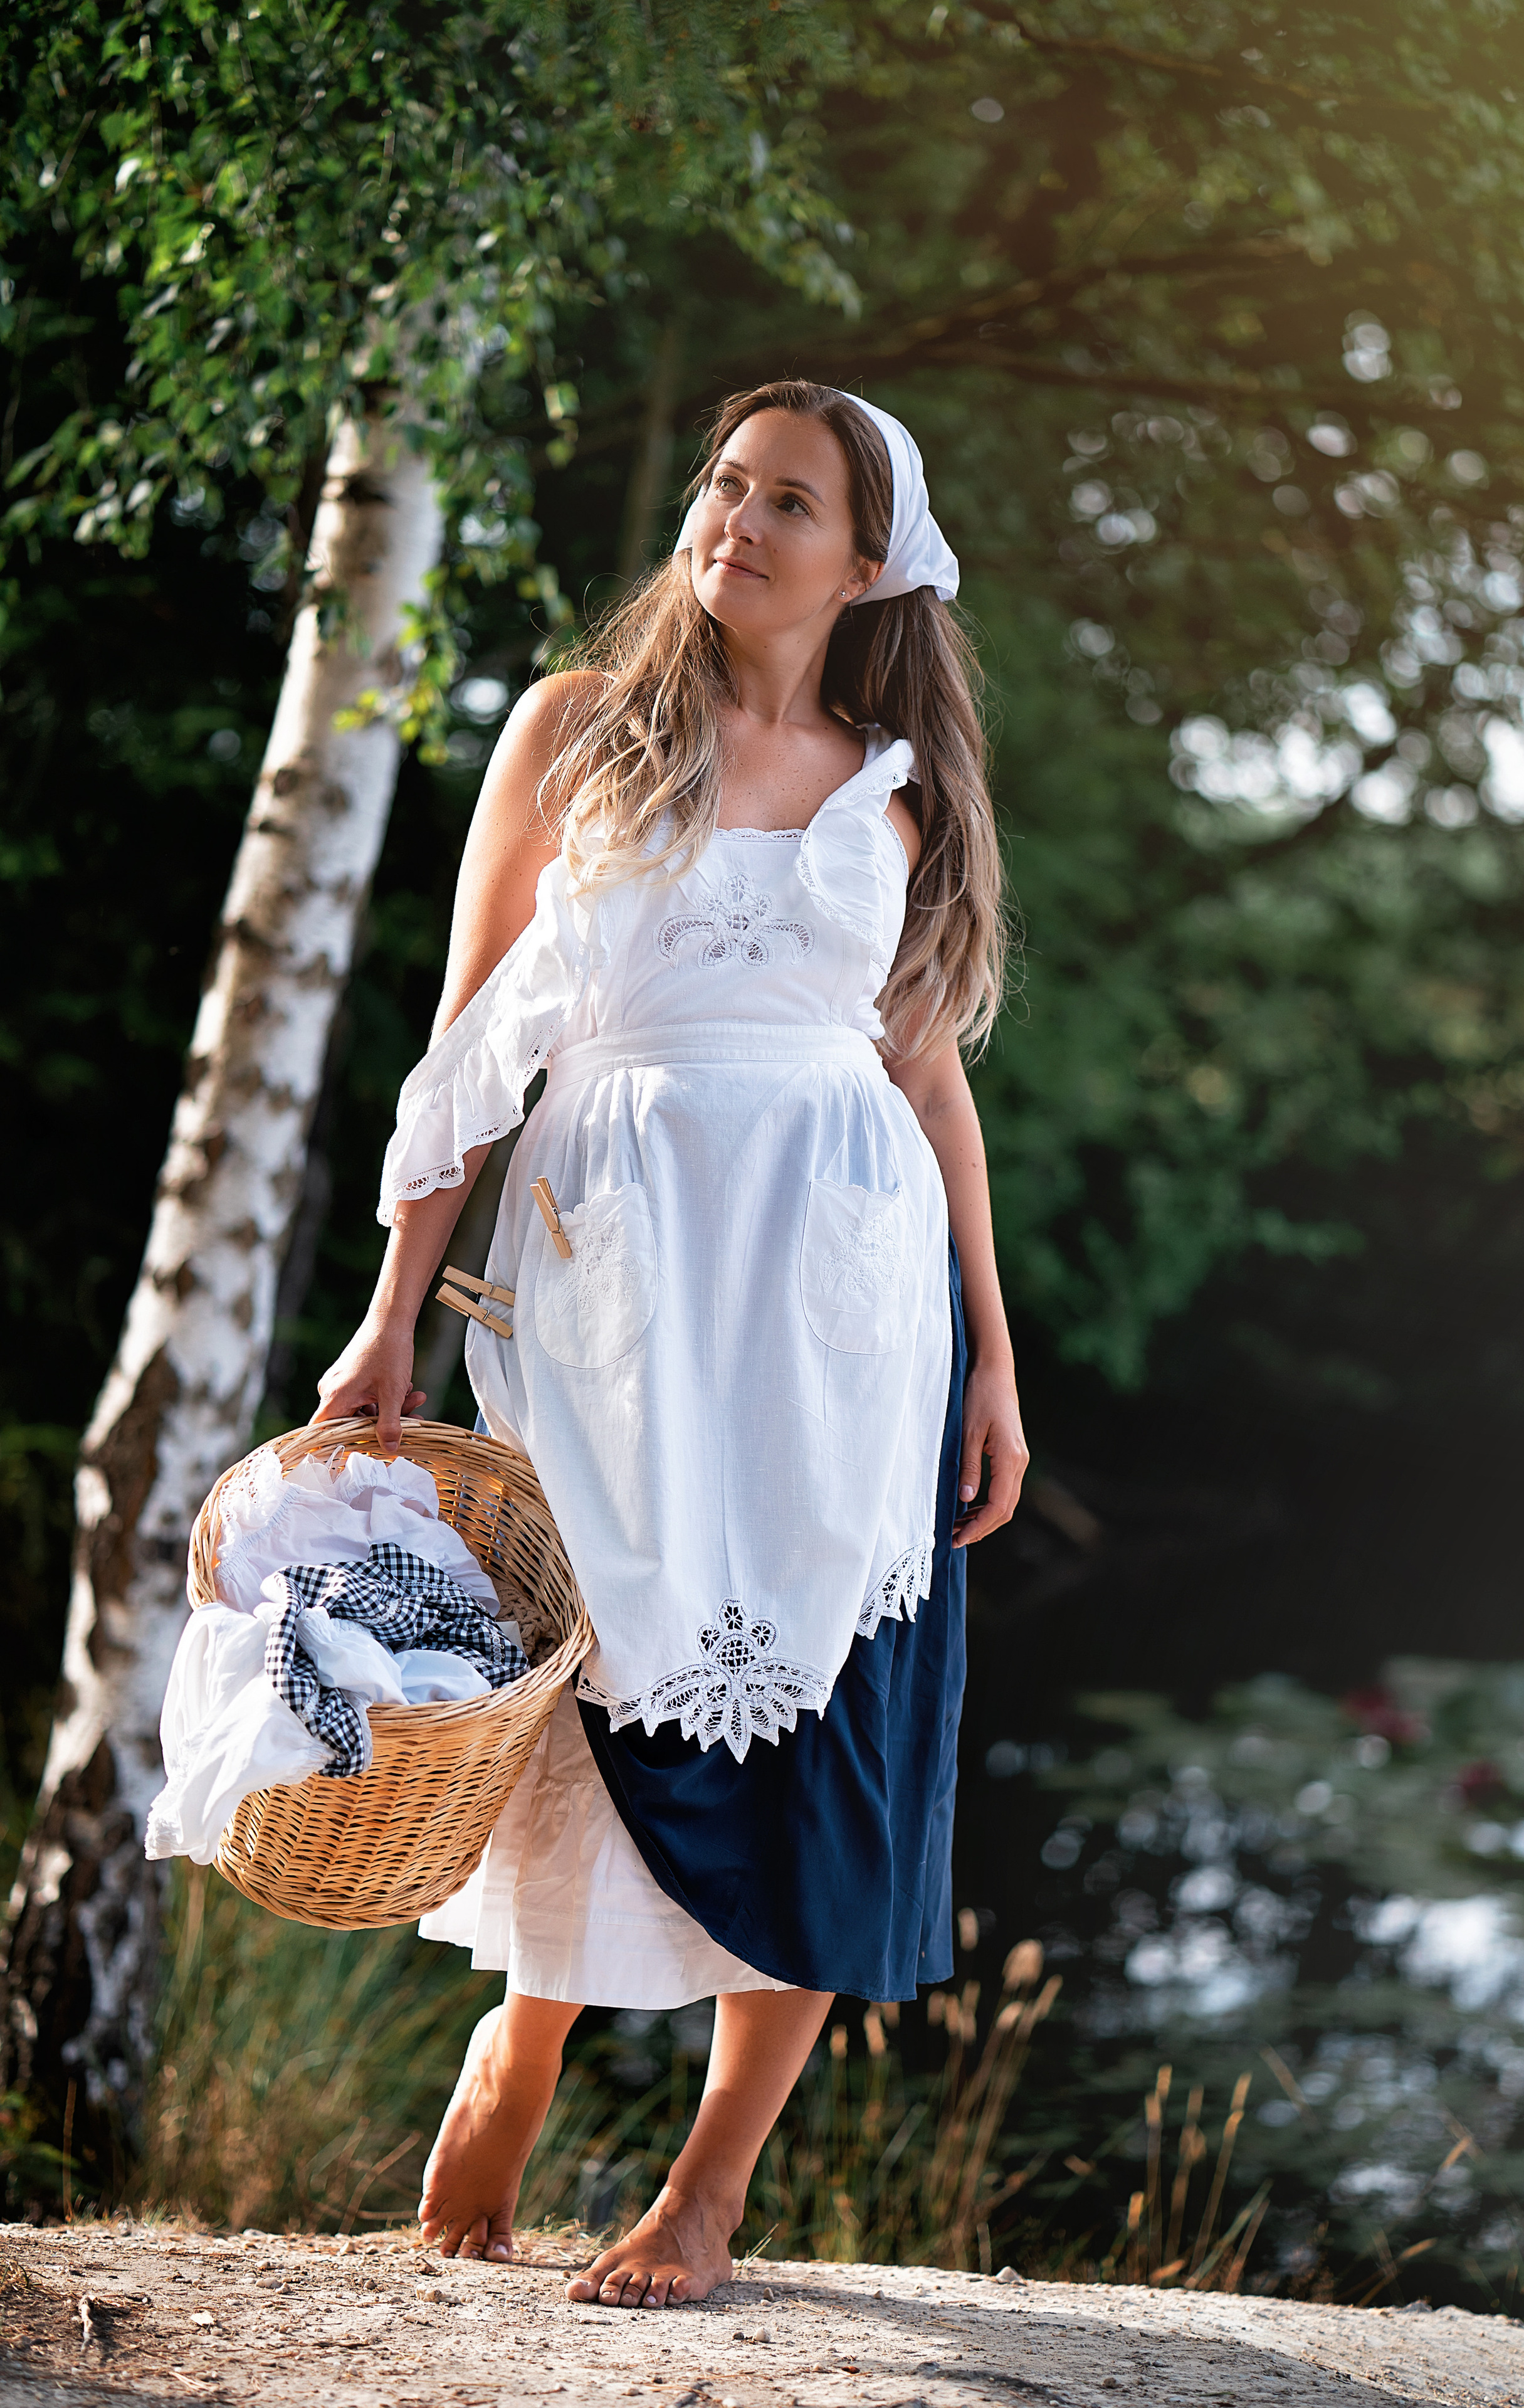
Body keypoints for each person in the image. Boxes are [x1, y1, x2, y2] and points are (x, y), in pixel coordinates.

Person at [312, 379, 1029, 2302]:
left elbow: (927, 1075)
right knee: (591, 1669)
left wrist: (997, 1353)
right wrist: (388, 1316)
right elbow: (471, 1041)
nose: (739, 520)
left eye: (791, 500)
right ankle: (524, 2035)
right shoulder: (573, 731)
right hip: (610, 1279)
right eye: (727, 486)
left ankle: (707, 2189)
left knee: (840, 1720)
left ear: (869, 563)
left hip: (848, 1315)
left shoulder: (900, 779)